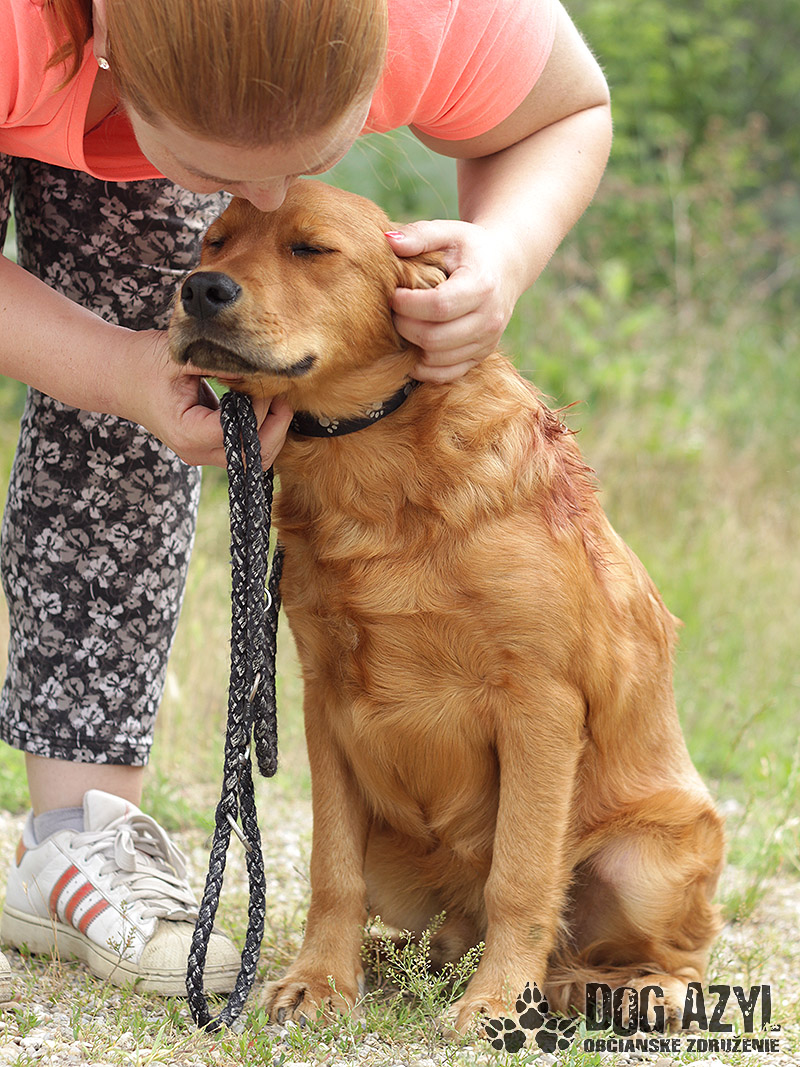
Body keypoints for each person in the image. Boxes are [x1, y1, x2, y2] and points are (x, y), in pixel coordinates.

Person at [0, 0, 611, 997]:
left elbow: (566, 110)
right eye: (218, 180)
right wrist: (108, 369)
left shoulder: (436, 15)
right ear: (111, 43)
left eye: (312, 158)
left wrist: (503, 255)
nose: (270, 195)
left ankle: (80, 830)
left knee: (149, 331)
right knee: (129, 345)